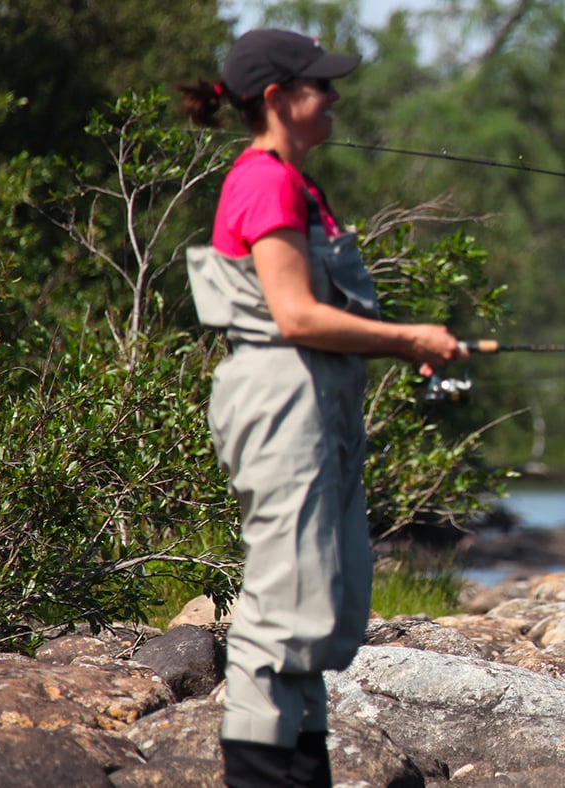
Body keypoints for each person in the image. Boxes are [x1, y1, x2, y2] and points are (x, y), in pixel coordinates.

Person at [178, 29, 465, 785]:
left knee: (320, 612)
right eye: (320, 86)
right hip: (283, 402)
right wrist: (409, 338)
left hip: (317, 403)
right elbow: (296, 314)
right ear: (277, 99)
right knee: (283, 610)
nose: (335, 96)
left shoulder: (299, 185)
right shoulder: (264, 181)